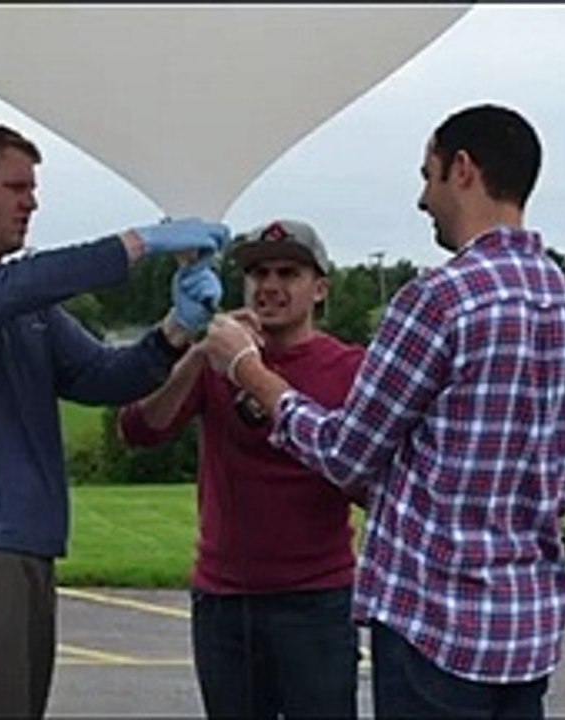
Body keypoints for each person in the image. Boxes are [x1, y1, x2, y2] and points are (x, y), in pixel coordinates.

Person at [200, 103, 565, 718]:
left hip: (435, 631)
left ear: (462, 170)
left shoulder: (440, 299)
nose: (422, 198)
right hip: (527, 635)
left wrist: (247, 370)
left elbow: (345, 450)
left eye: (428, 174)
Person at [0, 116, 231, 719]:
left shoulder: (31, 313)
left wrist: (177, 330)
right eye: (16, 188)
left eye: (33, 190)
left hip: (28, 548)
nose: (32, 202)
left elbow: (105, 377)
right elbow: (4, 292)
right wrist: (138, 244)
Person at [117, 218, 368, 719]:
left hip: (315, 598)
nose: (270, 286)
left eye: (288, 274)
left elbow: (365, 476)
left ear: (319, 288)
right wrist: (197, 355)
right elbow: (140, 429)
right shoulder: (216, 359)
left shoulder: (350, 367)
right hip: (226, 598)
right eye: (258, 274)